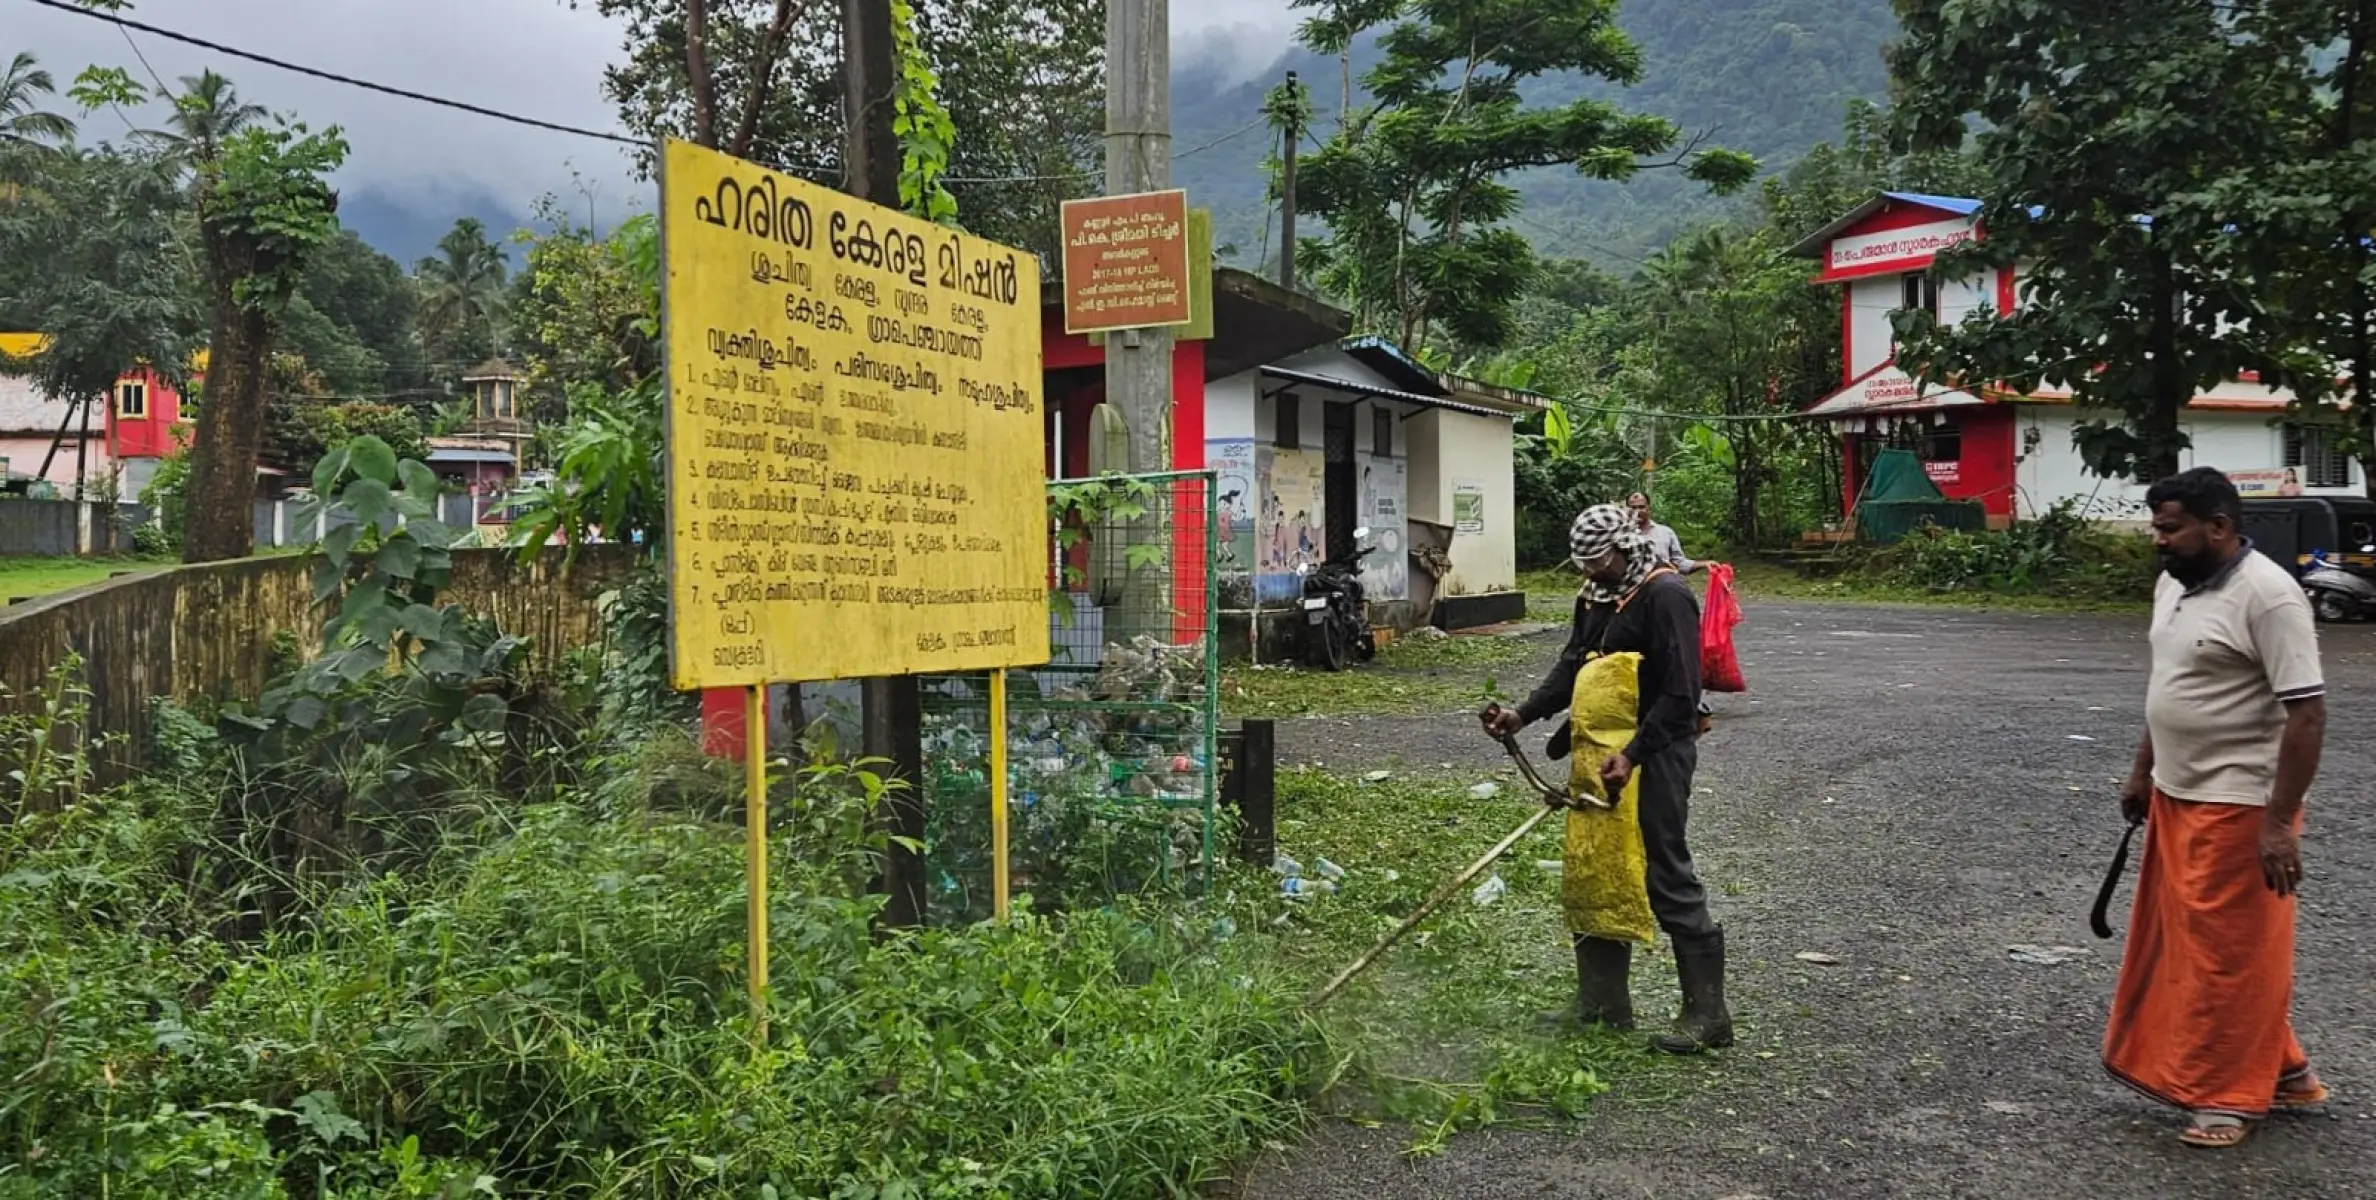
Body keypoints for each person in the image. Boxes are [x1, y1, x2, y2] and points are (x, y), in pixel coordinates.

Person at [2103, 467, 2329, 1149]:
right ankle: (2288, 1073)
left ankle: (2227, 1096)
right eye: (2156, 526)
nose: (2157, 540)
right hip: (2178, 795)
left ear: (2220, 527)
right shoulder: (2174, 583)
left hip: (2239, 807)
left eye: (2170, 528)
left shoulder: (2270, 598)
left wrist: (2277, 823)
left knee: (2227, 957)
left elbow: (2308, 714)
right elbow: (2168, 684)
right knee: (2195, 946)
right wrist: (2144, 770)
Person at [1482, 503, 1731, 1055]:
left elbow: (1680, 694)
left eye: (1599, 561)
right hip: (1598, 751)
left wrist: (1635, 754)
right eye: (1584, 563)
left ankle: (1708, 1014)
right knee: (1595, 863)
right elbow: (1574, 662)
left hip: (1658, 749)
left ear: (1626, 547)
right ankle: (1601, 1005)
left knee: (1661, 862)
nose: (1590, 572)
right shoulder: (1595, 596)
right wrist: (1523, 714)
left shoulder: (1666, 597)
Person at [1627, 492, 1706, 575]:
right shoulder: (1619, 535)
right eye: (1633, 508)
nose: (1638, 511)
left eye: (1641, 507)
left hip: (1662, 583)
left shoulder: (1666, 532)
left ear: (1648, 508)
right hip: (1631, 586)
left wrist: (1704, 564)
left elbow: (1679, 562)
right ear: (1627, 510)